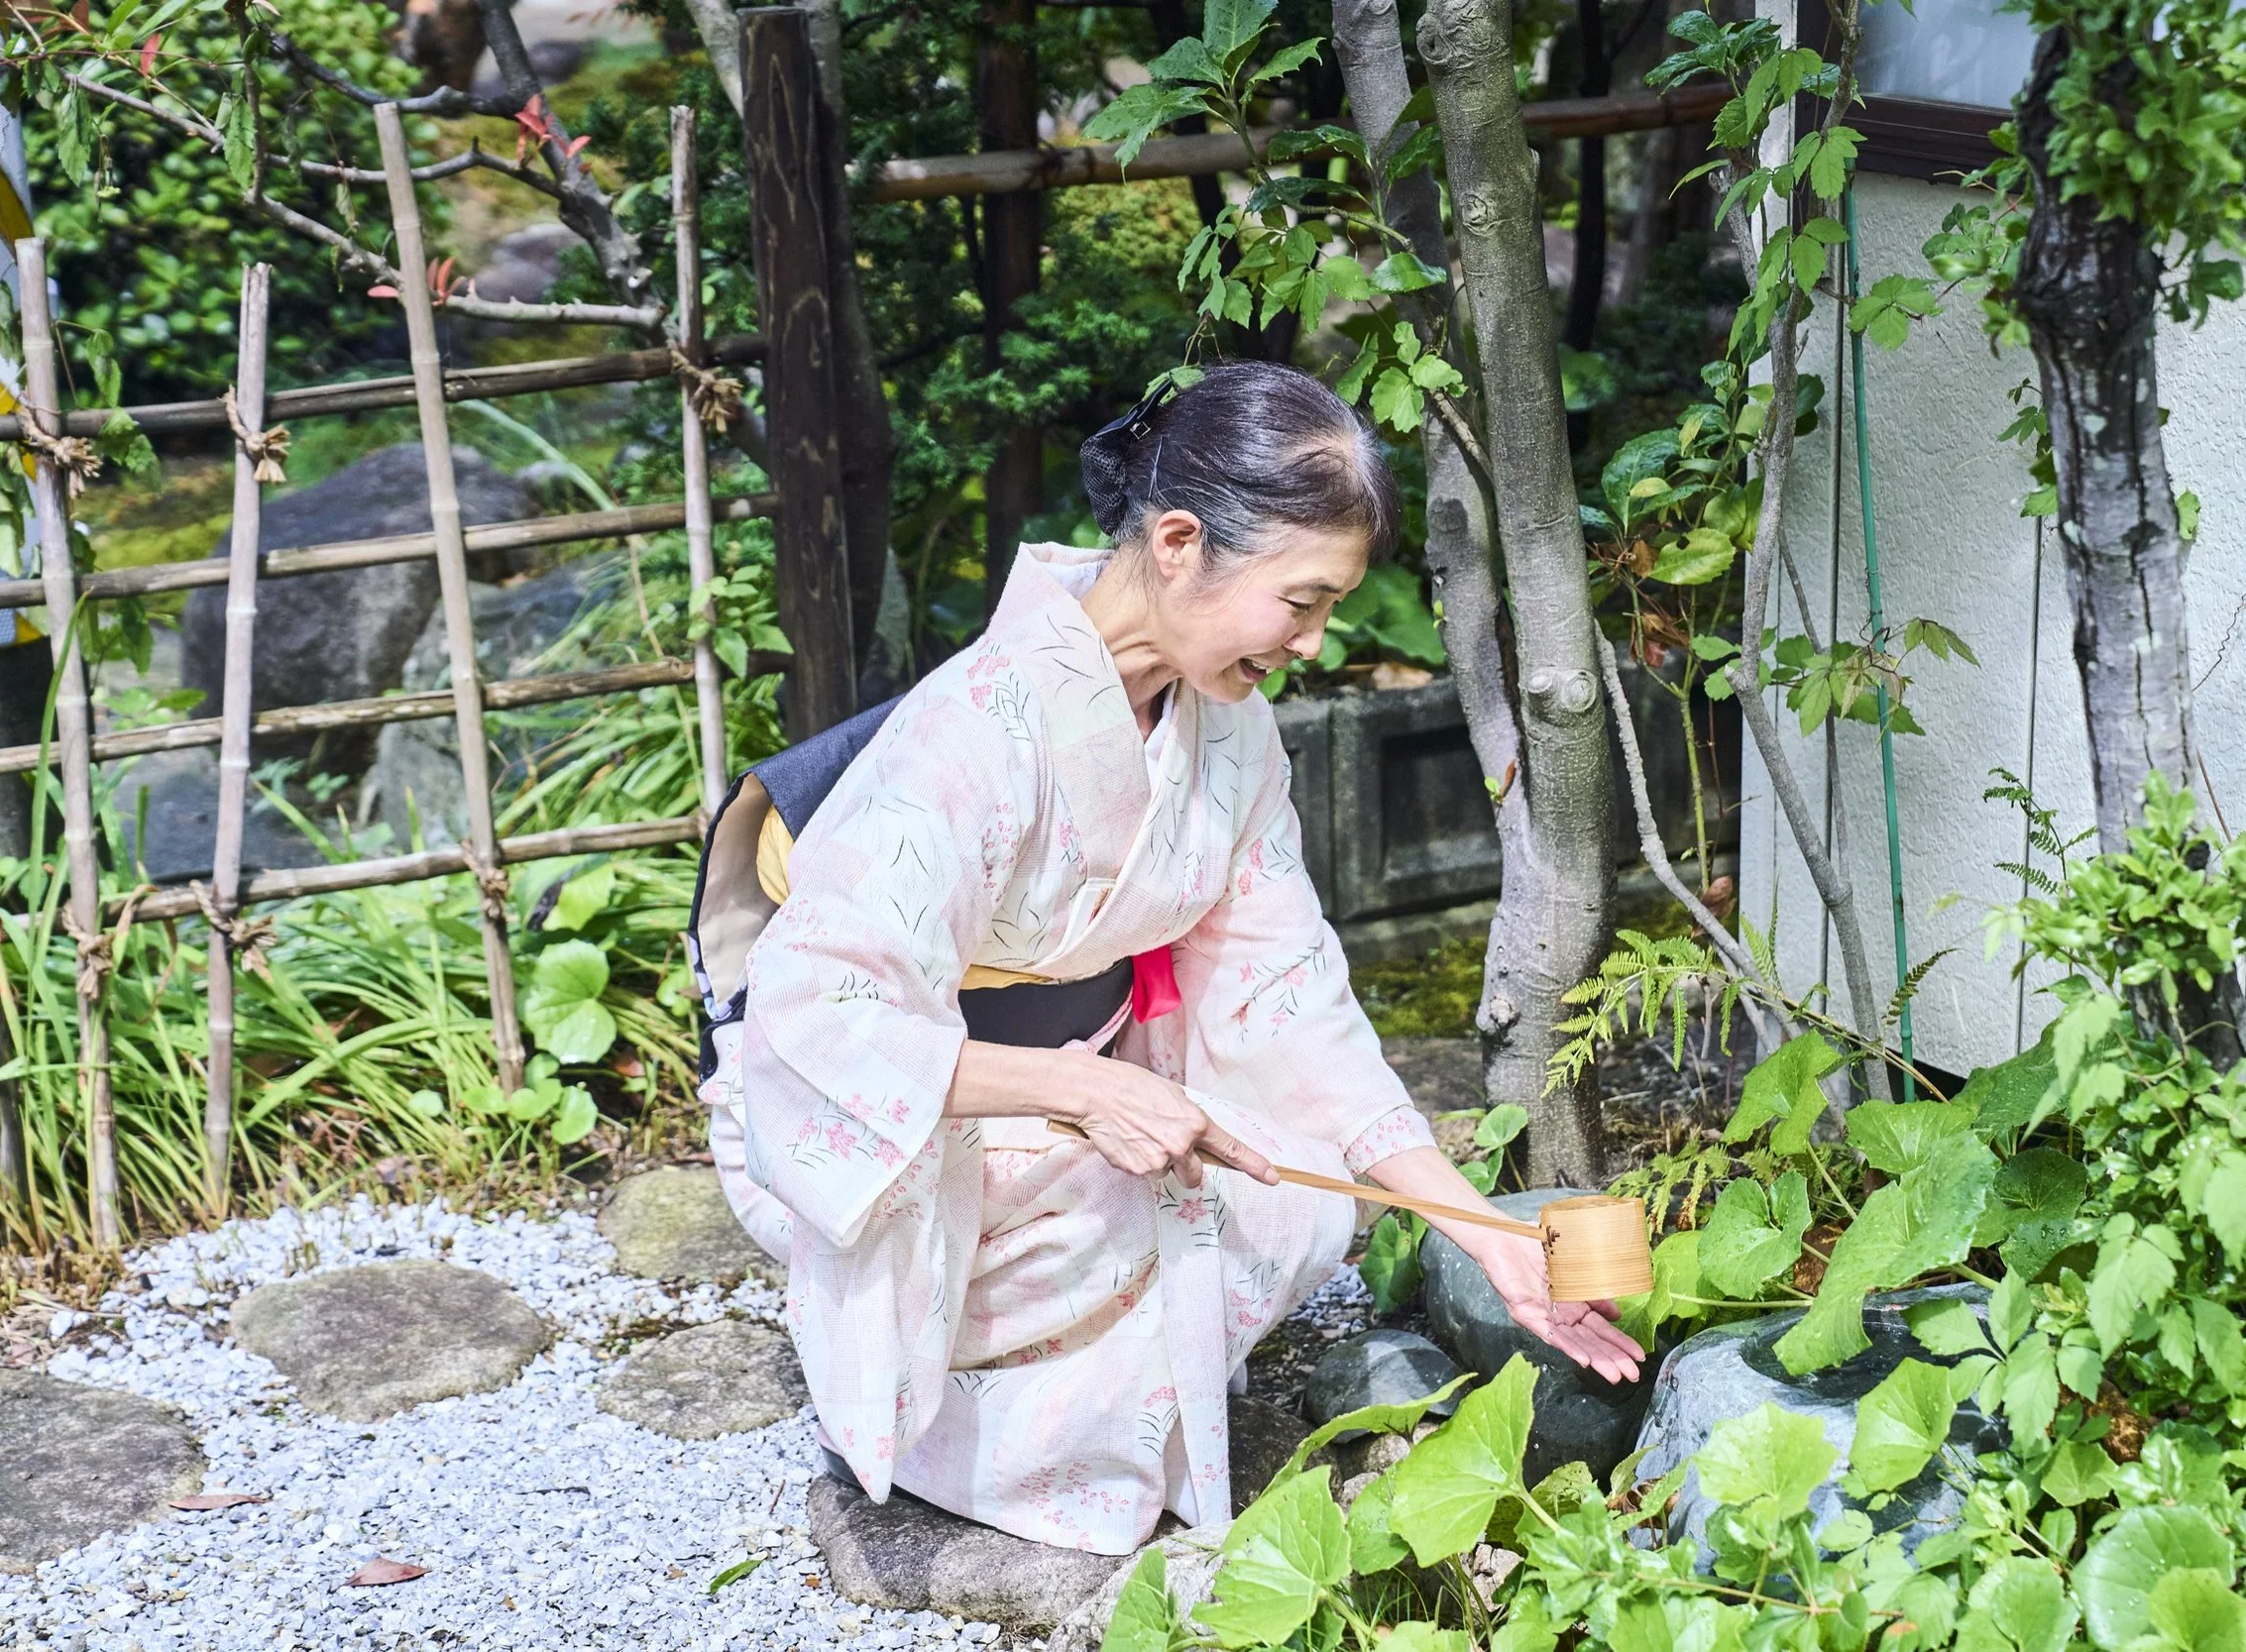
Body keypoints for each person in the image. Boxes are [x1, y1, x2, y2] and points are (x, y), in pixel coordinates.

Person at [699, 361, 1641, 1557]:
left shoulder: (1230, 732)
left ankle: (1098, 1387)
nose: (1313, 641)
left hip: (1088, 1092)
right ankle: (964, 1418)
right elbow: (812, 1013)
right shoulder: (969, 734)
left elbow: (1290, 994)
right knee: (1145, 1205)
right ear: (1183, 541)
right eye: (1300, 601)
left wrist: (1479, 1230)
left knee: (1290, 1190)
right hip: (907, 1124)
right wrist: (1086, 1089)